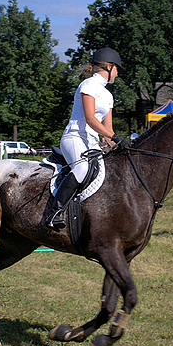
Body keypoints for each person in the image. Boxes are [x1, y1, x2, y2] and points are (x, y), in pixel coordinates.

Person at [45, 48, 129, 230]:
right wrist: (112, 136)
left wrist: (121, 146)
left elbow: (108, 129)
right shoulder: (88, 85)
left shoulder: (108, 95)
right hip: (74, 136)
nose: (117, 74)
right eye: (117, 70)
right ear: (108, 67)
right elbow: (90, 119)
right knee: (82, 168)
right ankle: (53, 213)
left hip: (91, 141)